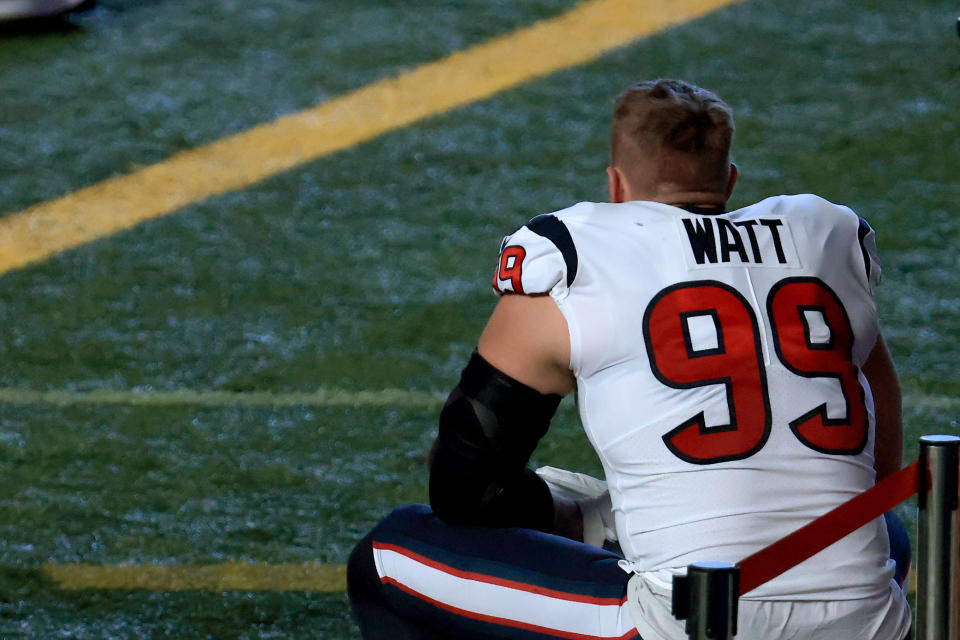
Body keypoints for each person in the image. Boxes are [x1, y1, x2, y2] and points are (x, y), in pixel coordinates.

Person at [347, 79, 911, 640]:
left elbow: (465, 485)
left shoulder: (577, 254)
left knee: (389, 552)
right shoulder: (827, 241)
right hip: (868, 621)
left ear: (615, 186)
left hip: (688, 621)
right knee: (885, 529)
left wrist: (566, 514)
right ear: (729, 182)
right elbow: (880, 470)